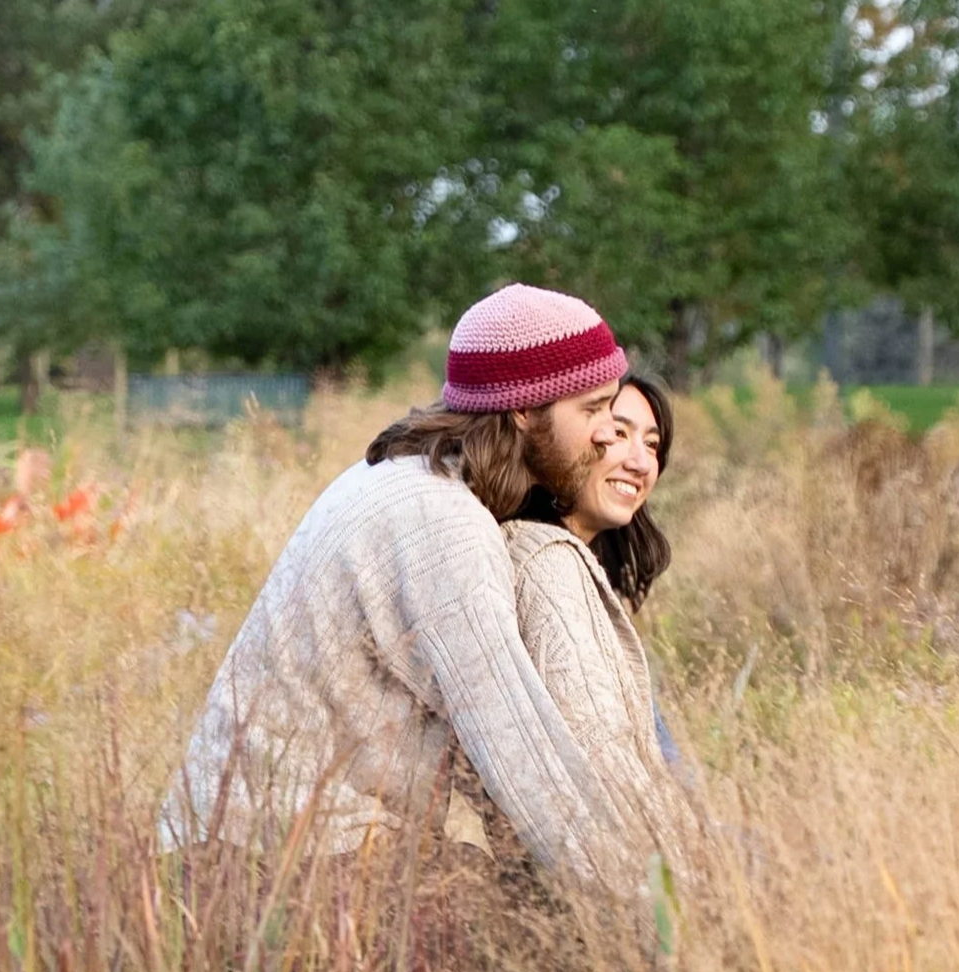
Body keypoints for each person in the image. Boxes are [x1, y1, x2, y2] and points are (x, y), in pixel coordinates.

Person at [160, 284, 643, 888]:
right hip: (276, 862)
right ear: (524, 410)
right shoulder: (445, 528)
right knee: (532, 941)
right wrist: (643, 901)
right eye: (592, 409)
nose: (608, 432)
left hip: (245, 839)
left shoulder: (406, 477)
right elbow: (520, 754)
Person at [504, 374, 686, 865]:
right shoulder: (543, 565)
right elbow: (606, 769)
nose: (640, 460)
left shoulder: (585, 571)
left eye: (652, 444)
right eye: (619, 432)